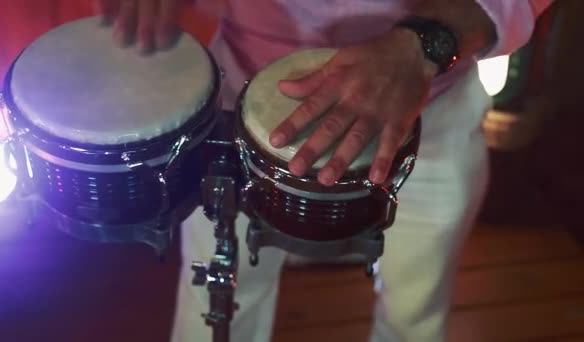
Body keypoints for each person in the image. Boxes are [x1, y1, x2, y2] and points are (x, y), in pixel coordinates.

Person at [96, 1, 554, 341]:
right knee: (217, 308)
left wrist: (425, 42)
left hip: (431, 103)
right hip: (243, 92)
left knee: (415, 316)